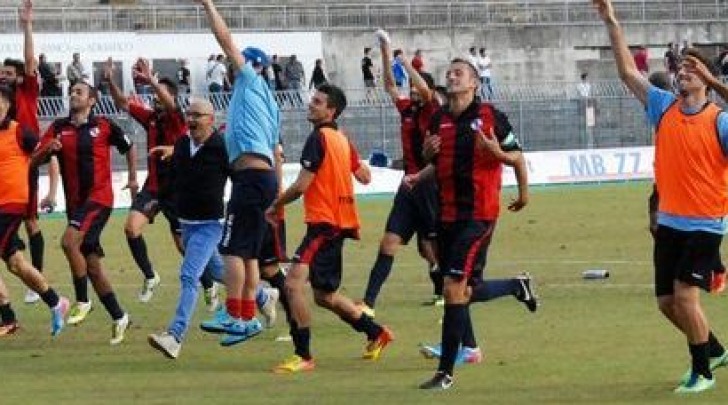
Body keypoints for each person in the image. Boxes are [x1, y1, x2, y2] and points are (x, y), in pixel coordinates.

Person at [594, 0, 728, 393]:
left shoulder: (719, 120)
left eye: (692, 69)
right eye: (681, 69)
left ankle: (702, 373)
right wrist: (612, 22)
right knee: (667, 304)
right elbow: (626, 72)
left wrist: (717, 81)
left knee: (686, 299)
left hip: (705, 224)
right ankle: (715, 349)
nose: (683, 74)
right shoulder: (663, 107)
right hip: (669, 221)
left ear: (705, 77)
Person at [412, 57, 533, 390]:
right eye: (448, 73)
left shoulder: (491, 117)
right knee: (465, 290)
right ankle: (515, 286)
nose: (451, 77)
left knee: (452, 288)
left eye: (458, 73)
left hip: (478, 215)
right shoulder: (439, 118)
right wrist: (426, 153)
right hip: (446, 214)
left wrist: (520, 190)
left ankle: (445, 372)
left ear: (474, 83)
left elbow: (517, 156)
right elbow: (435, 160)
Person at [266, 83, 394, 373]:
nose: (311, 104)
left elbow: (301, 186)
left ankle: (303, 355)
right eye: (313, 100)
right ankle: (376, 333)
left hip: (324, 224)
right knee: (325, 296)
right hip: (340, 223)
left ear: (331, 110)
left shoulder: (319, 139)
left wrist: (275, 204)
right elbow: (364, 175)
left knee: (292, 284)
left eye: (318, 102)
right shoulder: (340, 138)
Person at [146, 99, 279, 358]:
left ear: (211, 119)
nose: (192, 120)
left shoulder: (222, 147)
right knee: (219, 270)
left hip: (210, 225)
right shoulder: (183, 144)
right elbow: (174, 179)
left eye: (198, 115)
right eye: (189, 114)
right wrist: (158, 203)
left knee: (188, 275)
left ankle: (175, 335)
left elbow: (240, 179)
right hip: (187, 224)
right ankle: (263, 296)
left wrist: (252, 206)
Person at [195, 0, 280, 346]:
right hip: (263, 179)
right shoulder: (268, 103)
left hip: (250, 179)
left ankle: (233, 313)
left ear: (252, 66)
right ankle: (245, 320)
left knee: (231, 251)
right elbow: (275, 149)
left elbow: (225, 40)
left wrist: (208, 5)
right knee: (248, 254)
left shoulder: (249, 81)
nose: (231, 67)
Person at [105, 57, 218, 305]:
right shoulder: (151, 118)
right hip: (153, 187)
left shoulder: (178, 118)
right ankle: (150, 276)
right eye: (155, 95)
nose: (156, 98)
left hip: (178, 192)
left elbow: (169, 103)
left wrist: (152, 81)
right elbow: (123, 103)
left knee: (184, 247)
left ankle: (209, 284)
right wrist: (109, 81)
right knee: (131, 229)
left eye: (161, 95)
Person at [32, 81, 137, 345]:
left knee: (68, 242)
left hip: (99, 199)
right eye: (72, 91)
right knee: (91, 264)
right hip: (76, 205)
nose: (73, 95)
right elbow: (36, 158)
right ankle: (119, 315)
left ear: (92, 99)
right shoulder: (58, 127)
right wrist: (48, 149)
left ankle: (82, 300)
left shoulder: (103, 125)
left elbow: (129, 146)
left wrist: (134, 178)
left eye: (79, 92)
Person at [356, 30, 442, 319]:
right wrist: (386, 48)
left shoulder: (432, 110)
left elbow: (427, 92)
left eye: (417, 88)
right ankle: (368, 302)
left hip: (430, 185)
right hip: (408, 187)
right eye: (412, 88)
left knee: (430, 247)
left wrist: (407, 64)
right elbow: (390, 86)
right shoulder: (407, 110)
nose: (413, 91)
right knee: (388, 242)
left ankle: (445, 290)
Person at [0, 0, 60, 305]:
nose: (4, 76)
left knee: (31, 221)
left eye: (9, 72)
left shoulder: (27, 91)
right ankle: (24, 268)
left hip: (26, 161)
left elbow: (29, 60)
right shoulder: (2, 103)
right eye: (2, 73)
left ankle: (36, 276)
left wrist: (26, 26)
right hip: (6, 165)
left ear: (20, 76)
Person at [0, 84, 69, 337]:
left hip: (12, 203)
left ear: (7, 105)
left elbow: (44, 155)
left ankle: (7, 318)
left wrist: (51, 190)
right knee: (16, 264)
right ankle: (55, 302)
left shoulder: (20, 132)